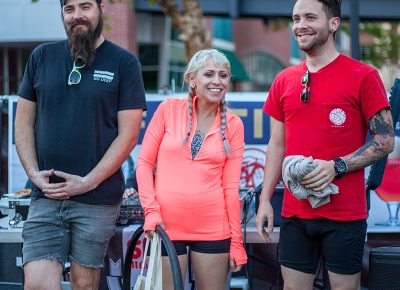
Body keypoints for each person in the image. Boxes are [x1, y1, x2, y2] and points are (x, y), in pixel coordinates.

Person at [255, 0, 394, 289]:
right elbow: (277, 145)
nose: (300, 25)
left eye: (309, 17)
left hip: (345, 215)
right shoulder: (284, 80)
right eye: (295, 18)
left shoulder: (363, 76)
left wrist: (336, 167)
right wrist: (265, 200)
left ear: (333, 23)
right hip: (295, 213)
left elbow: (384, 141)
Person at [14, 0, 146, 289]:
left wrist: (87, 182)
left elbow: (129, 136)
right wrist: (34, 174)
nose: (77, 15)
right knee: (36, 283)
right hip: (46, 198)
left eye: (85, 6)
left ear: (100, 8)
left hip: (97, 201)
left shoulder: (125, 63)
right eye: (69, 8)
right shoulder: (41, 57)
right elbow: (22, 124)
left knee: (84, 285)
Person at [136, 49, 247, 290]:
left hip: (213, 229)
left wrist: (236, 241)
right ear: (191, 79)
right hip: (165, 226)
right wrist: (151, 212)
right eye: (209, 74)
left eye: (223, 75)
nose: (217, 81)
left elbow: (231, 188)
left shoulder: (235, 125)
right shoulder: (167, 110)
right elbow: (144, 164)